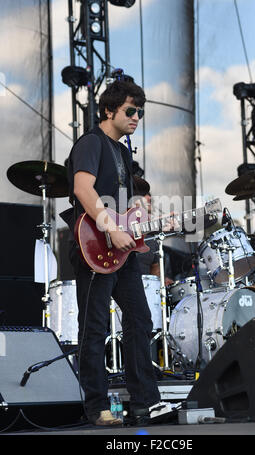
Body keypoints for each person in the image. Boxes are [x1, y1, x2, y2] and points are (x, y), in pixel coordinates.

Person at [66, 80, 169, 426]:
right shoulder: (91, 142)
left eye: (140, 111)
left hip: (120, 252)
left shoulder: (124, 153)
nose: (137, 117)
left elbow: (123, 207)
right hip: (94, 245)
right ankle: (96, 407)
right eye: (130, 110)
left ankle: (145, 402)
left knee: (140, 320)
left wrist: (144, 221)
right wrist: (111, 228)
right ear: (109, 110)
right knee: (93, 327)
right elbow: (83, 187)